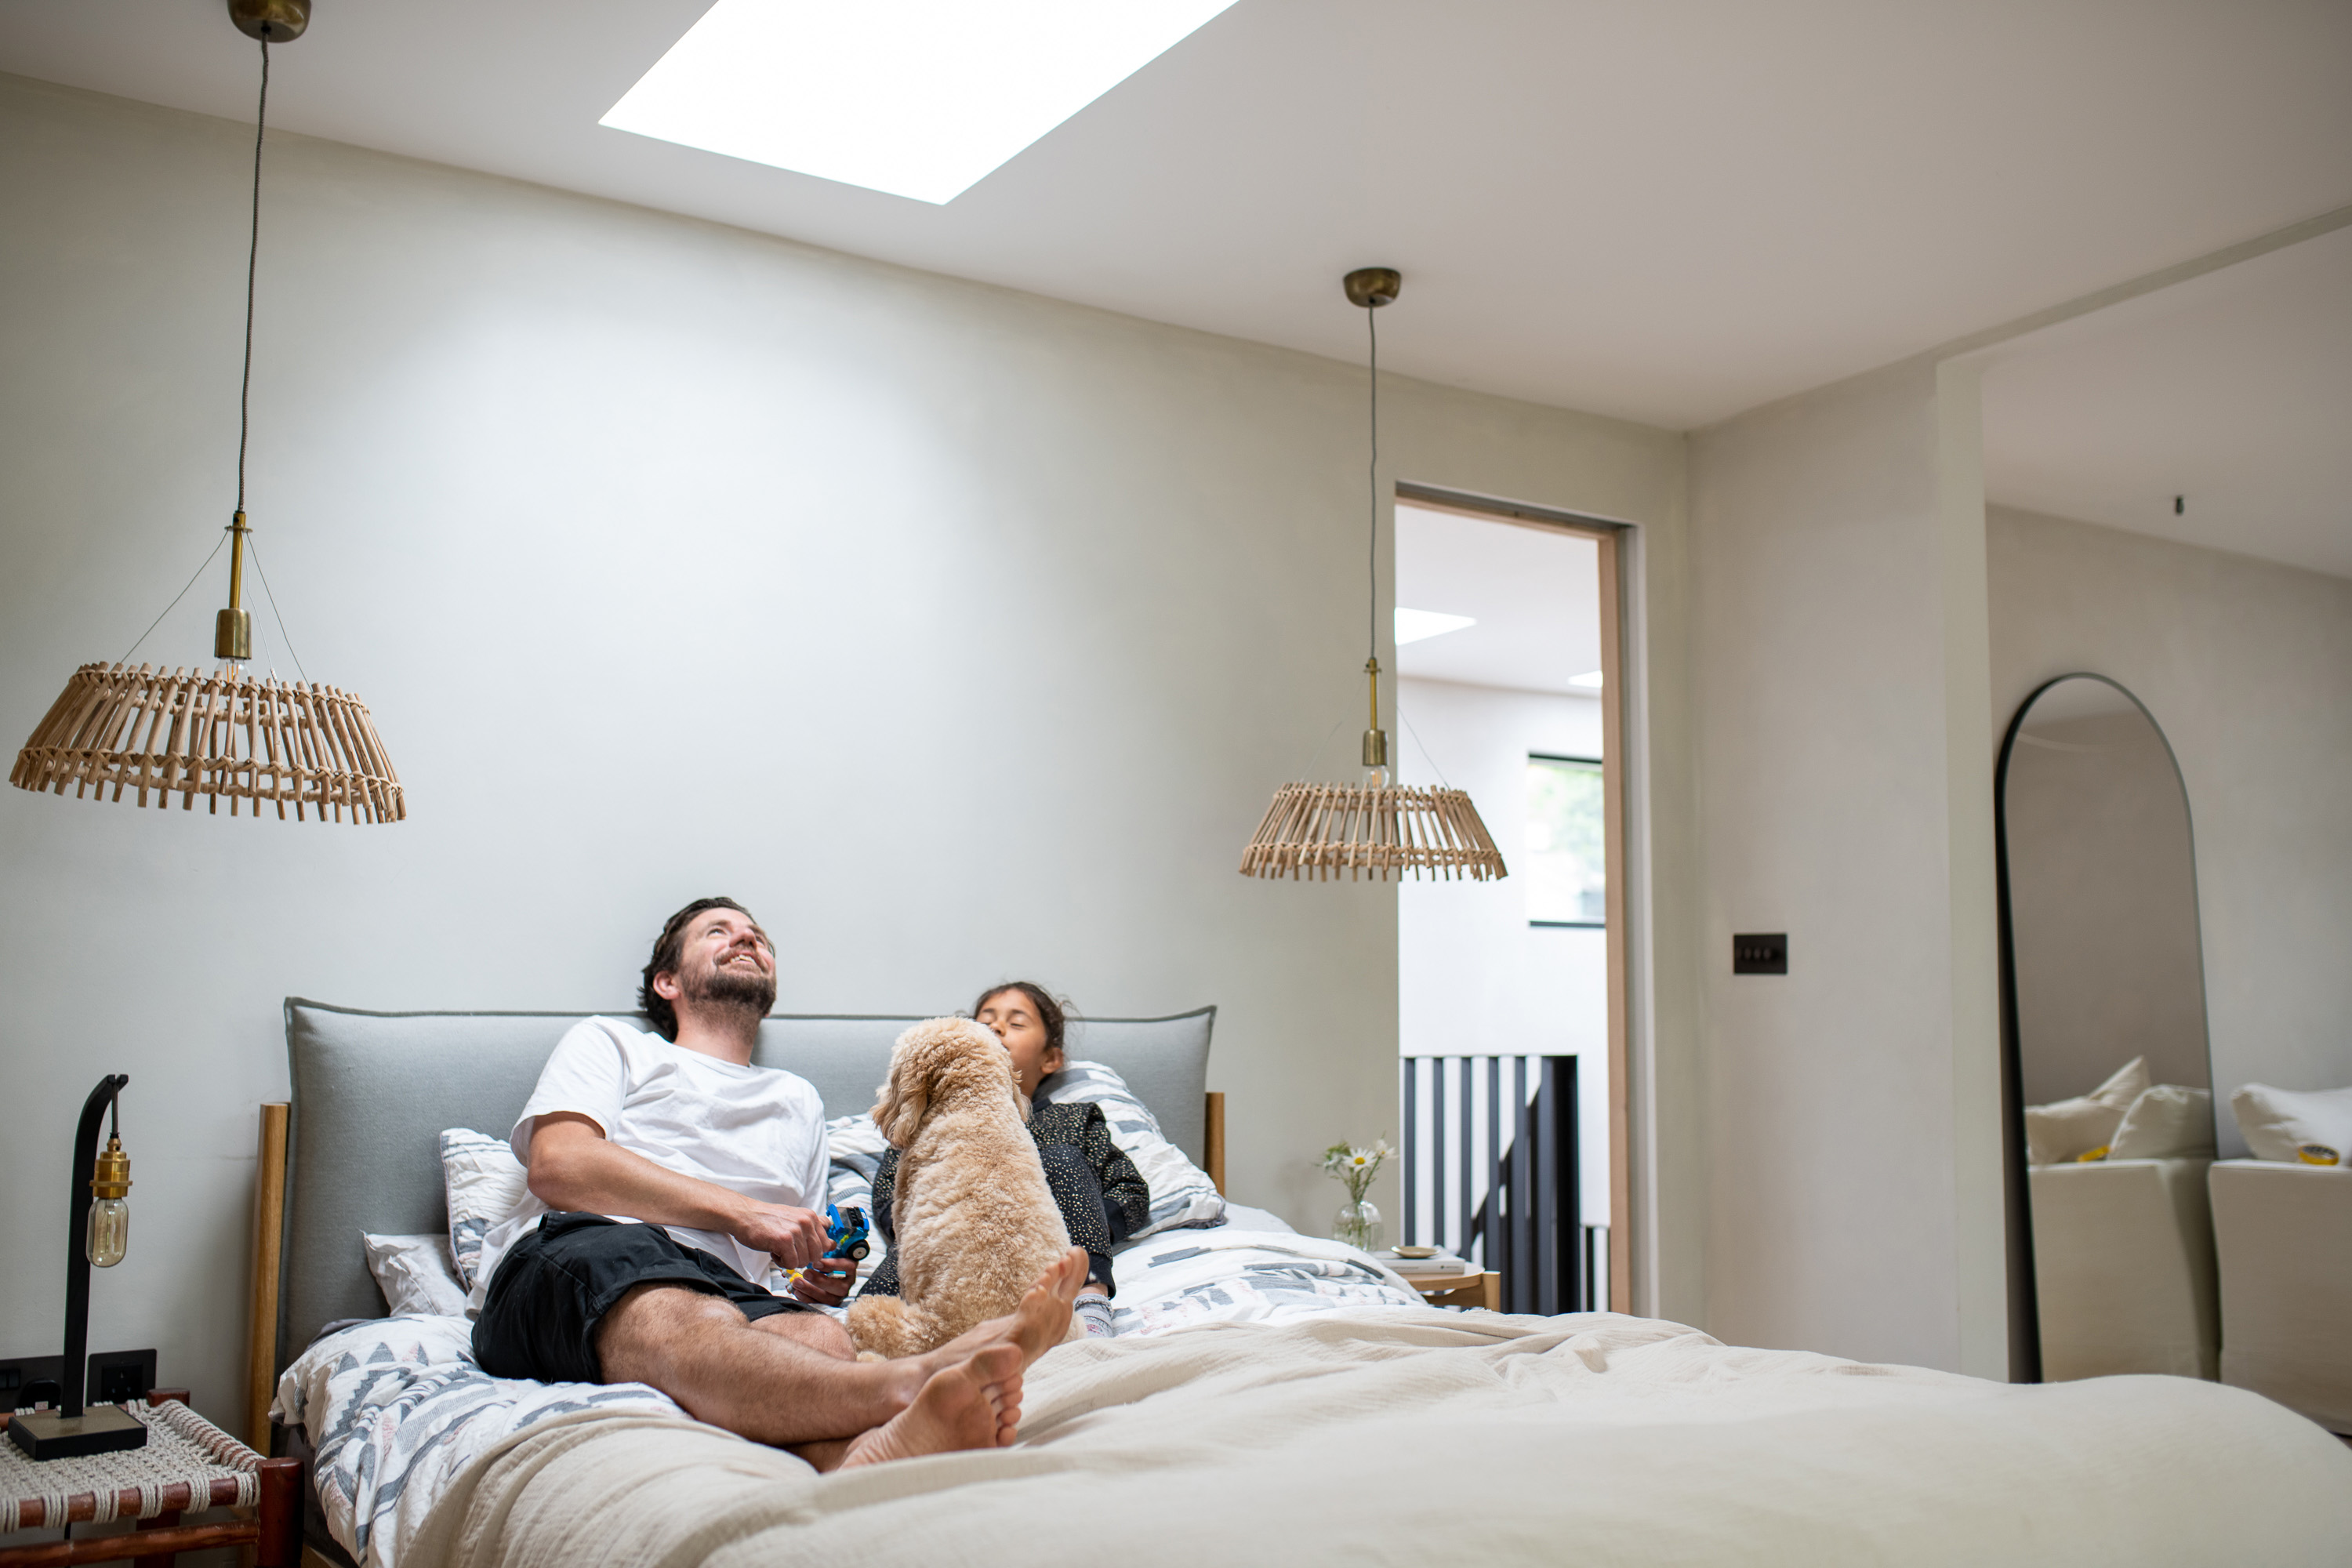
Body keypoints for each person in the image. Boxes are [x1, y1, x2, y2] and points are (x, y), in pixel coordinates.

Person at [470, 898, 1087, 1470]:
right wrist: (744, 1214)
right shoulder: (612, 1044)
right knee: (670, 1303)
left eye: (757, 937)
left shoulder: (797, 1100)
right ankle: (910, 1382)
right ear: (668, 982)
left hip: (724, 1288)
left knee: (821, 1337)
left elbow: (788, 1260)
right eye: (720, 931)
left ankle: (865, 1455)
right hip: (584, 1251)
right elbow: (561, 1166)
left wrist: (817, 1275)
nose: (747, 937)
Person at [861, 982, 1149, 1339]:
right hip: (949, 1241)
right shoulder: (927, 1122)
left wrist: (1052, 1223)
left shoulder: (1073, 1119)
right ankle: (879, 1346)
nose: (997, 1028)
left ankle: (1089, 1308)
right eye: (986, 1022)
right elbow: (891, 1193)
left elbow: (1130, 1191)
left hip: (1042, 1248)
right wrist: (941, 1226)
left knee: (1060, 1160)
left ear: (1051, 1059)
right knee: (882, 1287)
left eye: (1016, 1023)